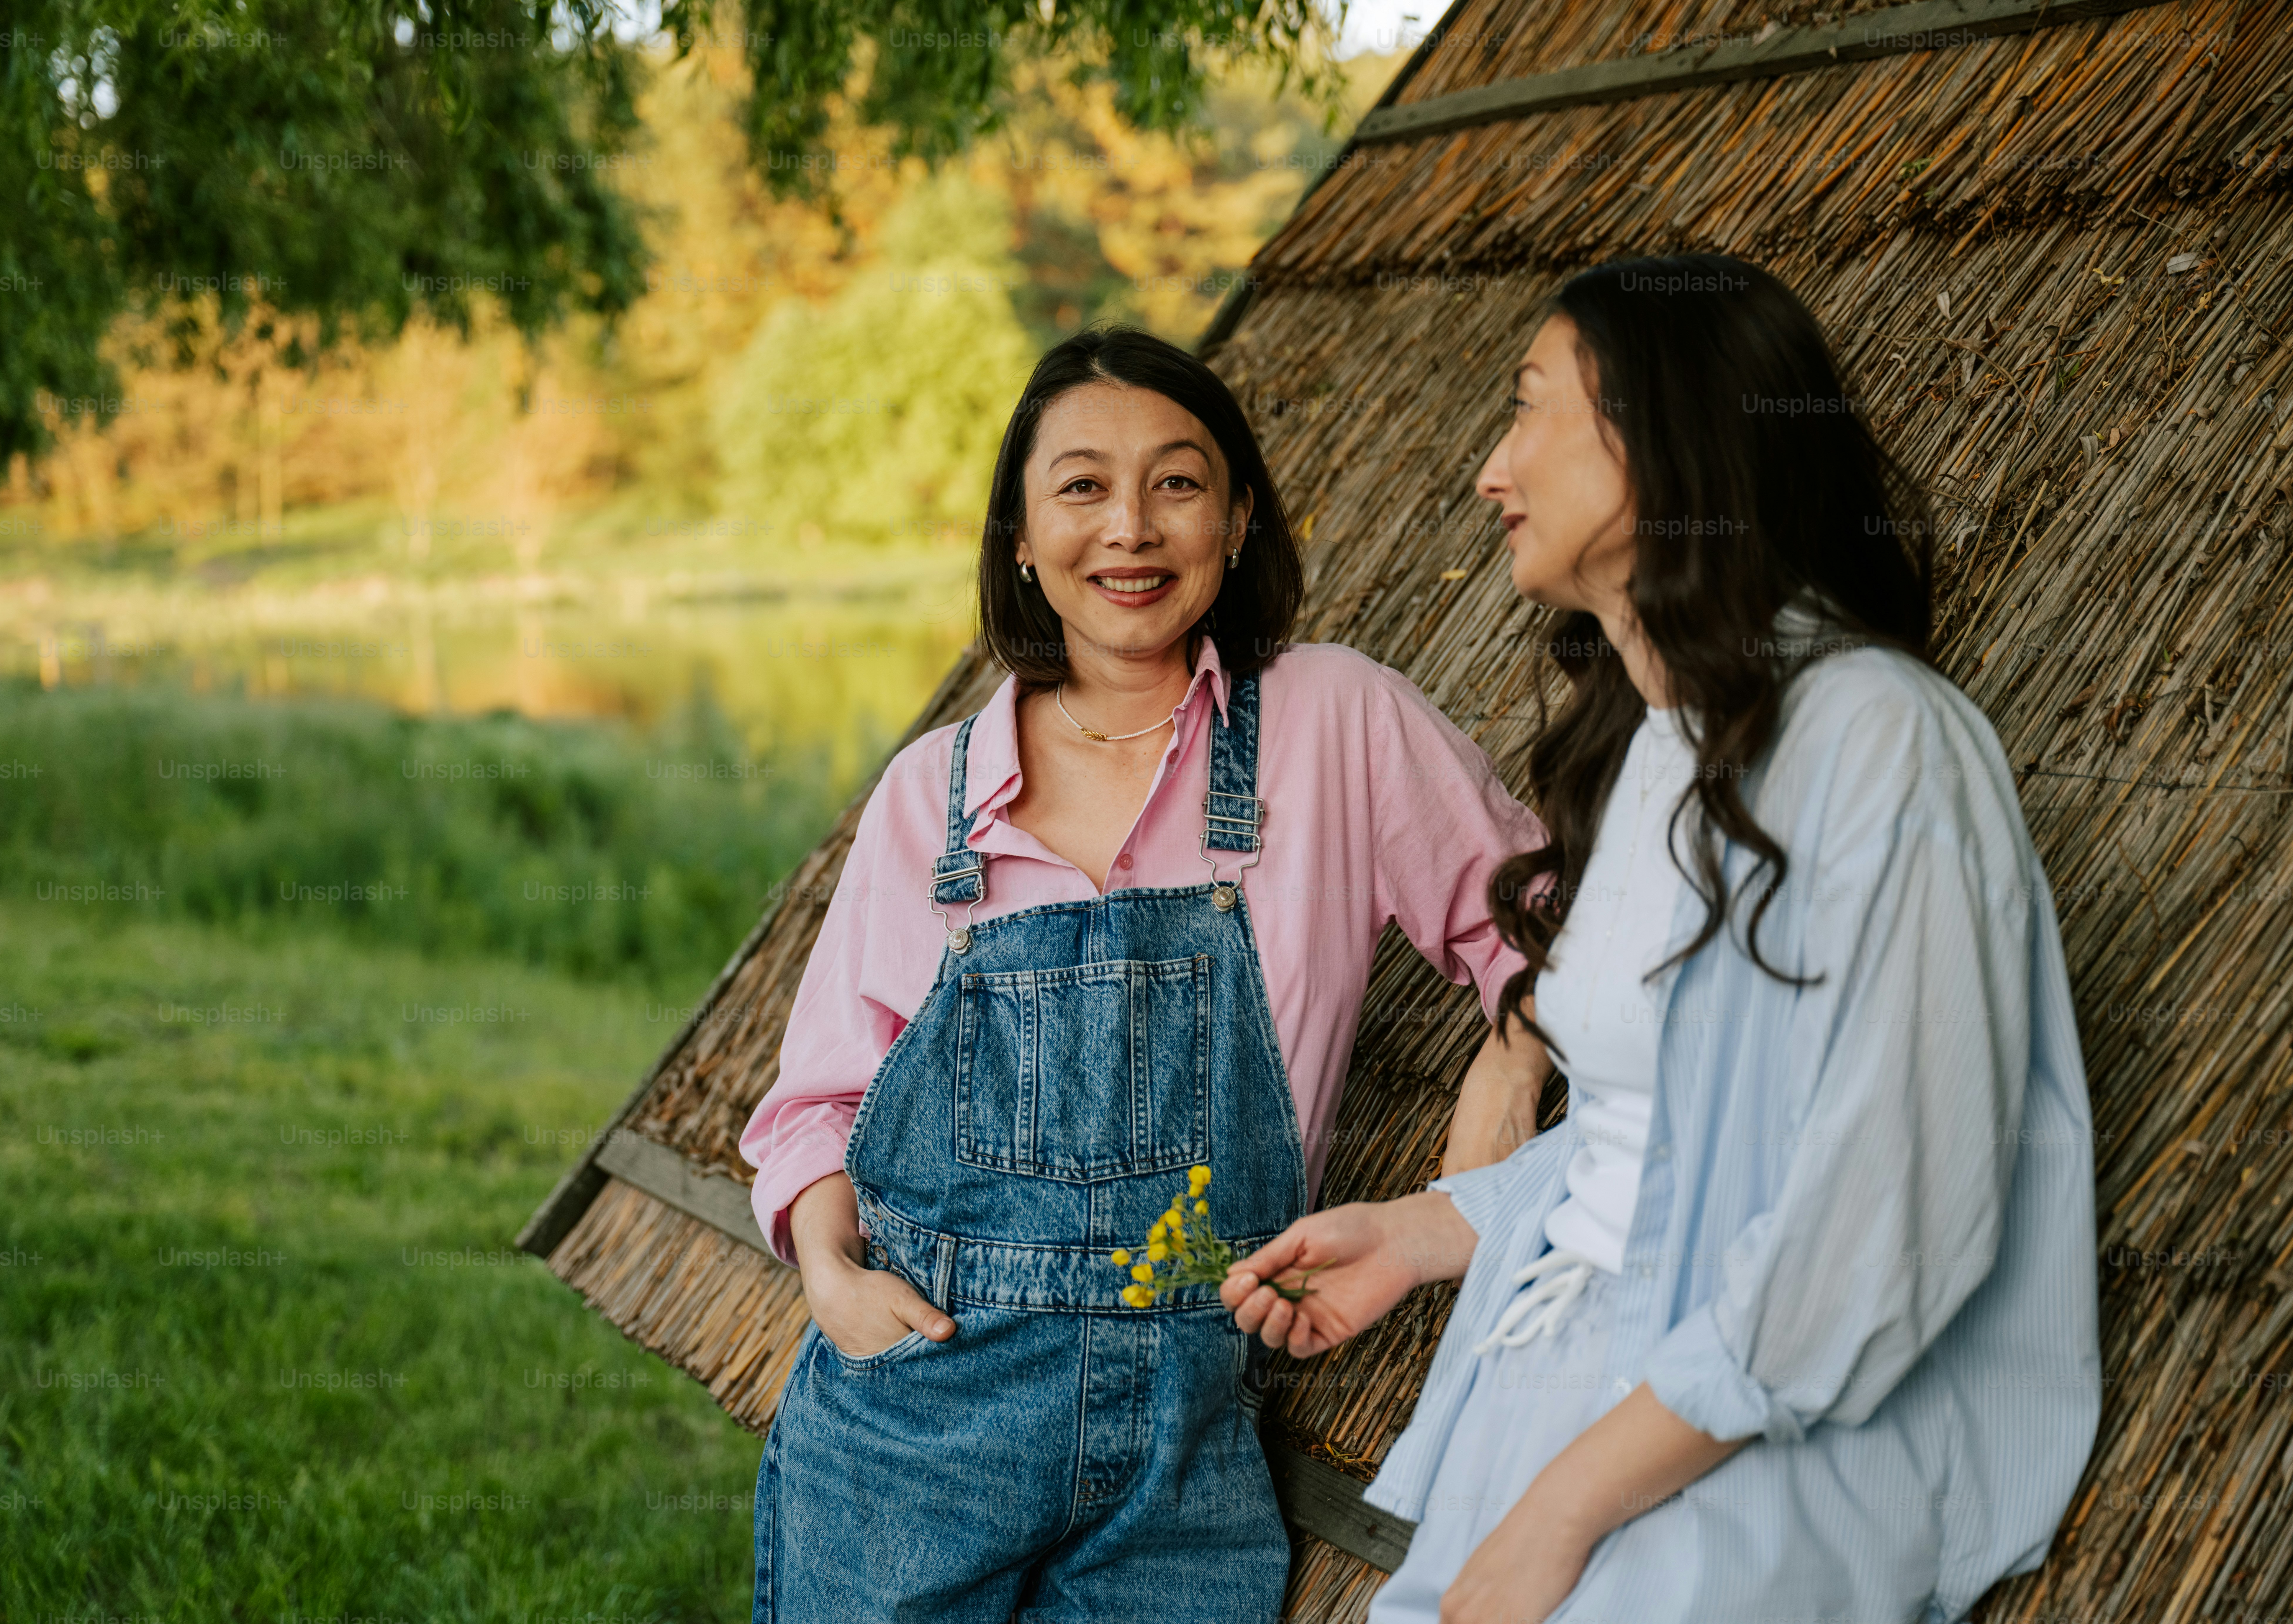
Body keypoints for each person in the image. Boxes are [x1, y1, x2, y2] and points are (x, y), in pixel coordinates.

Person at [1223, 254, 2101, 1624]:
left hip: (1740, 1457)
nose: (1488, 470)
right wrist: (1423, 1229)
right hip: (1563, 1406)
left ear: (1660, 436)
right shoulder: (1653, 757)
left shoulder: (1883, 741)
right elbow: (1674, 1139)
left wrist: (1570, 1506)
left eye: (1528, 409)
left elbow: (1886, 1205)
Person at [738, 325, 1552, 1622]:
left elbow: (1560, 933)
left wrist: (1504, 1084)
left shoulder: (1333, 724)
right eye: (1081, 486)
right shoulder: (932, 801)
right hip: (913, 1426)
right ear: (1018, 531)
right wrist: (834, 1279)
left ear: (1237, 520)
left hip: (1186, 1439)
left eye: (1176, 482)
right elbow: (816, 1109)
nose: (1130, 526)